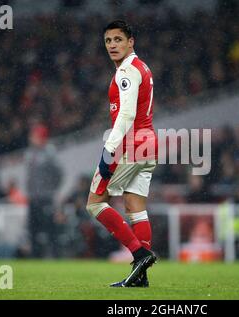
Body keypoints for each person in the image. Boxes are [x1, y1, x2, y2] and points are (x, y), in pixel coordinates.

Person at [85, 20, 158, 287]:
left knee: (94, 202)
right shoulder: (143, 67)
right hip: (149, 143)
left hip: (131, 144)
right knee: (135, 208)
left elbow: (126, 115)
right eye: (108, 41)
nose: (112, 45)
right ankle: (141, 276)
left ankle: (140, 254)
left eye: (118, 39)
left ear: (131, 42)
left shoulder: (127, 71)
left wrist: (109, 150)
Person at [25, 123, 63, 258]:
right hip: (33, 198)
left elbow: (59, 173)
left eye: (34, 135)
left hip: (46, 197)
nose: (31, 138)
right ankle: (35, 257)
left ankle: (55, 256)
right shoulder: (30, 153)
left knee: (50, 229)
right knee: (33, 230)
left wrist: (52, 189)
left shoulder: (49, 152)